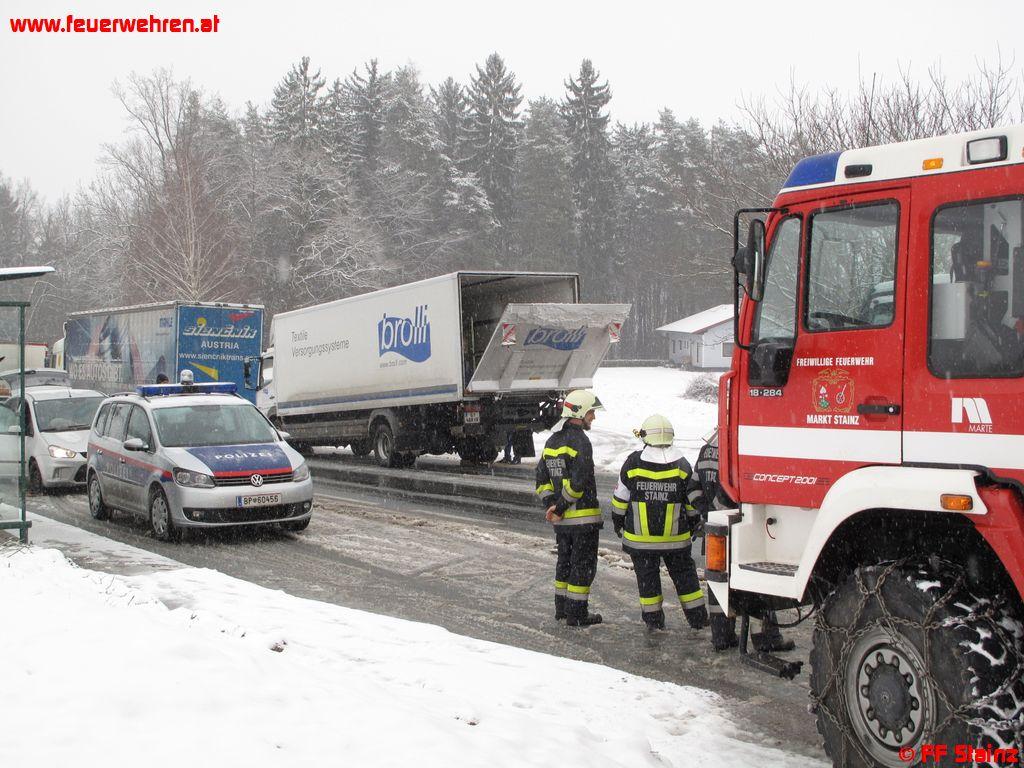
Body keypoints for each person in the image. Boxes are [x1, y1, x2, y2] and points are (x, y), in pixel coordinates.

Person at [694, 429, 792, 653]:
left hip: (715, 529)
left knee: (718, 583)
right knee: (756, 584)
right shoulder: (741, 449)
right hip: (742, 528)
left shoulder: (706, 450)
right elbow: (733, 489)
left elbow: (693, 488)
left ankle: (722, 636)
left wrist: (706, 512)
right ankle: (765, 638)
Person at [611, 414, 708, 632]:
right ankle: (698, 620)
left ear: (646, 437)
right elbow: (691, 500)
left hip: (641, 542)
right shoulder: (682, 465)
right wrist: (694, 523)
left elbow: (620, 498)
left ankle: (654, 623)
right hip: (675, 541)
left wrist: (617, 522)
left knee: (648, 582)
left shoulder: (633, 462)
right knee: (686, 579)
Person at [535, 389, 604, 627]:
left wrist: (551, 506)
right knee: (583, 567)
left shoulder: (552, 441)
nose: (593, 417)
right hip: (582, 520)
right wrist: (561, 507)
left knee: (564, 563)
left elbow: (541, 480)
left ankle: (562, 609)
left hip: (562, 524)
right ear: (581, 412)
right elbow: (579, 482)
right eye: (591, 412)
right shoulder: (581, 441)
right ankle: (577, 614)